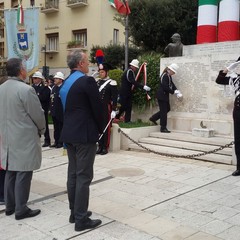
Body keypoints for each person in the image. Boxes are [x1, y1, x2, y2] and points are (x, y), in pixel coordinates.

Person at [59, 50, 104, 231]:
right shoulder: (86, 81)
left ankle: (74, 212)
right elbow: (98, 108)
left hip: (69, 134)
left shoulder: (65, 83)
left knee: (73, 174)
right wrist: (102, 130)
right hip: (84, 135)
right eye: (86, 61)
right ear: (80, 64)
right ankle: (81, 219)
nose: (88, 64)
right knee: (84, 176)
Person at [0, 58, 45, 220]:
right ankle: (21, 209)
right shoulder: (26, 90)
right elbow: (38, 114)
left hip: (7, 136)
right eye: (25, 68)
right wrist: (42, 129)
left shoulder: (1, 88)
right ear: (21, 71)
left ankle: (10, 206)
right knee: (24, 172)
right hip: (24, 137)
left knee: (10, 171)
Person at [216, 58, 240, 176]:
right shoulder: (235, 79)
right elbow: (219, 80)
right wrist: (227, 69)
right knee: (238, 139)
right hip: (238, 112)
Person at [149, 63, 182, 133]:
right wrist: (173, 92)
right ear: (170, 70)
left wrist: (176, 90)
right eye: (173, 72)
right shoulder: (165, 76)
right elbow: (165, 87)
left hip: (164, 96)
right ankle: (163, 128)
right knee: (164, 111)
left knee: (167, 109)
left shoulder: (168, 76)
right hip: (162, 96)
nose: (174, 73)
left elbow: (172, 84)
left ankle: (153, 118)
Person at [95, 63, 118, 155]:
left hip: (106, 108)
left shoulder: (112, 83)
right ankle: (99, 146)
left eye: (102, 72)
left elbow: (115, 98)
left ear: (107, 72)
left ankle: (105, 147)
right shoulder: (97, 82)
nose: (100, 73)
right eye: (99, 72)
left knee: (105, 127)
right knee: (98, 127)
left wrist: (114, 110)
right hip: (98, 108)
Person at [32, 71, 51, 147]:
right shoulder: (32, 87)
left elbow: (44, 98)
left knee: (45, 124)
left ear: (40, 79)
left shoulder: (44, 88)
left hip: (42, 109)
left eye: (35, 78)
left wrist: (37, 96)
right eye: (33, 78)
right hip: (34, 108)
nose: (34, 80)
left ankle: (47, 140)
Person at [50, 72, 64, 148]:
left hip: (60, 111)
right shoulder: (53, 88)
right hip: (54, 111)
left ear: (61, 79)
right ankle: (56, 141)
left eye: (56, 78)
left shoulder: (63, 88)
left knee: (60, 127)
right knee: (56, 128)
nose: (54, 79)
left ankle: (61, 142)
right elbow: (51, 99)